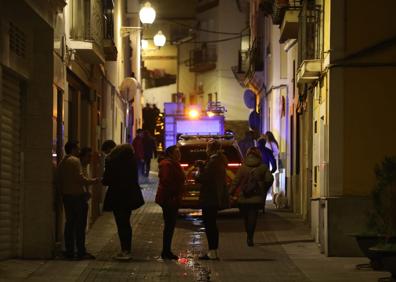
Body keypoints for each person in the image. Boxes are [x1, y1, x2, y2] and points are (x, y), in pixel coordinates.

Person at [56, 141, 98, 260]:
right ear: (73, 149)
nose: (79, 151)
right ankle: (80, 251)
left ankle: (69, 251)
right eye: (77, 149)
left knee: (70, 224)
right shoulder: (75, 161)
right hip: (77, 197)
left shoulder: (62, 162)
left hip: (67, 197)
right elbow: (80, 178)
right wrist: (93, 181)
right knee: (80, 225)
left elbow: (59, 180)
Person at [102, 142, 141, 261]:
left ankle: (125, 250)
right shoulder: (132, 159)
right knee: (126, 223)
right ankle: (127, 249)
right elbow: (135, 177)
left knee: (121, 223)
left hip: (117, 195)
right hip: (129, 195)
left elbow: (107, 180)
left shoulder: (111, 160)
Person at [229, 147, 273, 246]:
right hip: (256, 197)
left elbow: (236, 182)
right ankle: (250, 237)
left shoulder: (242, 167)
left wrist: (230, 193)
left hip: (243, 197)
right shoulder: (263, 167)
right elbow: (269, 179)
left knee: (246, 218)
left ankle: (248, 234)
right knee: (253, 218)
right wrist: (263, 188)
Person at [197, 139, 228, 260]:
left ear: (210, 149)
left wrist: (199, 169)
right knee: (212, 224)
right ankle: (213, 250)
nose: (206, 150)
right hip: (214, 196)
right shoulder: (217, 161)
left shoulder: (213, 162)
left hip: (210, 197)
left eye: (207, 147)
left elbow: (203, 178)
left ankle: (212, 251)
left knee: (210, 225)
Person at [155, 145, 185, 260]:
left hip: (172, 198)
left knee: (170, 226)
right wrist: (174, 192)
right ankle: (166, 251)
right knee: (169, 226)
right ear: (171, 153)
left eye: (179, 152)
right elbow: (166, 181)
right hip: (169, 199)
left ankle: (167, 250)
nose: (179, 154)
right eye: (176, 152)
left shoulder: (172, 163)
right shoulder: (167, 164)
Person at [79, 147, 93, 229]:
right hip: (80, 198)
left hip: (85, 199)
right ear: (82, 156)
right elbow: (84, 181)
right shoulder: (79, 167)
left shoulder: (86, 167)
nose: (90, 159)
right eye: (88, 156)